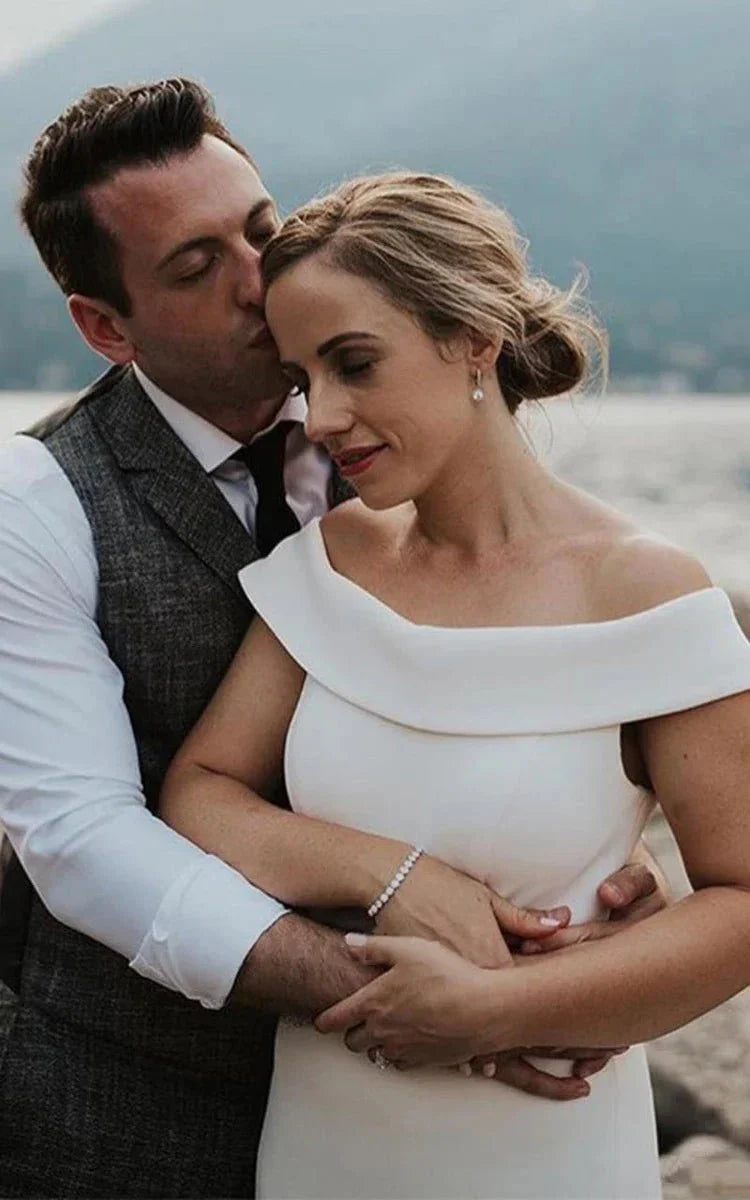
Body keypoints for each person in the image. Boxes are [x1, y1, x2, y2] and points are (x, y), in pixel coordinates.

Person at [0, 81, 661, 1198]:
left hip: (417, 1124)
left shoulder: (405, 435)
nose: (259, 281)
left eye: (261, 230)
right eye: (196, 267)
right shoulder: (35, 501)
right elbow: (80, 837)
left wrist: (587, 860)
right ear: (107, 327)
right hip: (127, 1111)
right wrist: (425, 996)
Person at [158, 171, 750, 1200]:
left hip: (549, 1150)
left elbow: (739, 902)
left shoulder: (649, 594)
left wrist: (496, 1011)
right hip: (319, 1141)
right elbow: (200, 792)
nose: (322, 416)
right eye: (302, 377)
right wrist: (393, 875)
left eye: (354, 364)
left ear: (474, 338)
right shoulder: (332, 563)